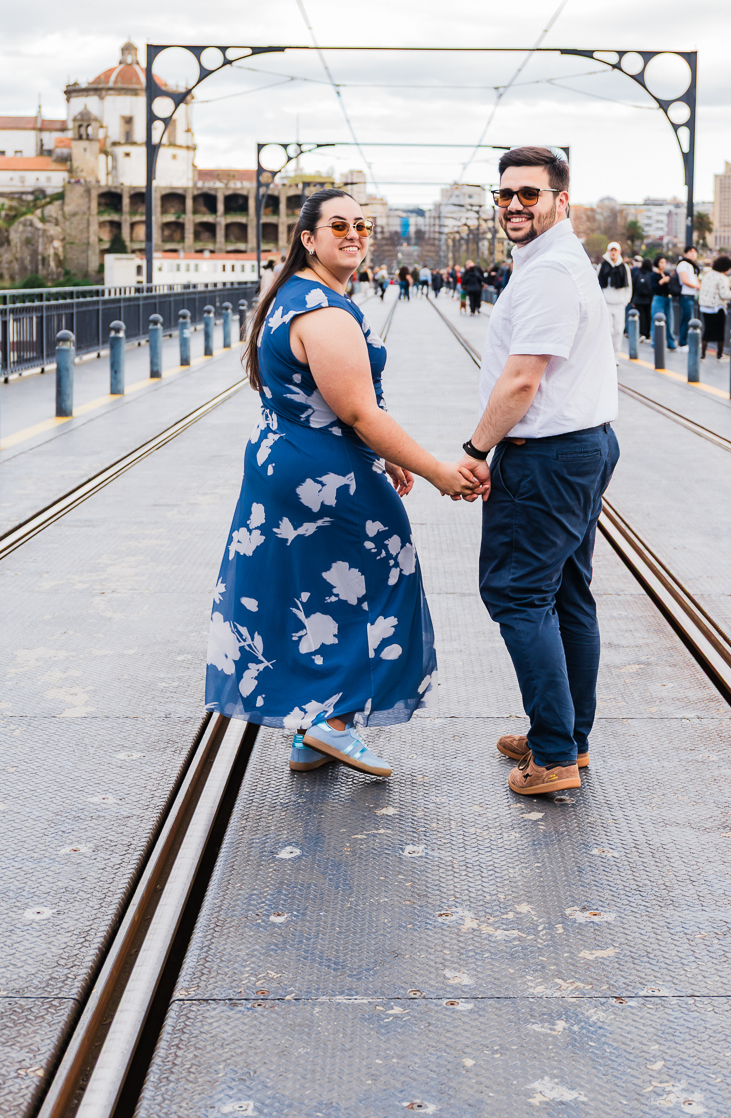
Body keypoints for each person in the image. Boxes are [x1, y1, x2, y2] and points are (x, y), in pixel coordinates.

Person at [205, 189, 479, 780]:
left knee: (310, 594)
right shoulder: (325, 313)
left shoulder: (292, 296)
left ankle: (314, 729)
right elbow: (357, 412)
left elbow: (333, 404)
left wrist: (383, 457)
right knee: (383, 582)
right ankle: (330, 724)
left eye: (361, 224)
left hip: (287, 463)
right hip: (324, 477)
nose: (353, 234)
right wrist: (437, 471)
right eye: (338, 226)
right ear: (308, 238)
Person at [458, 146, 619, 797]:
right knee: (566, 593)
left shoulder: (550, 273)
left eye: (530, 194)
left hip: (548, 454)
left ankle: (553, 754)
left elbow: (523, 381)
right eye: (506, 195)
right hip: (578, 446)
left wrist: (474, 453)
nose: (516, 205)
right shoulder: (550, 263)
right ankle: (566, 736)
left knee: (519, 595)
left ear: (561, 201)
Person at [597, 241, 631, 351]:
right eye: (611, 250)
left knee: (618, 330)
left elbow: (628, 286)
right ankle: (608, 354)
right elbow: (597, 285)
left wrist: (625, 301)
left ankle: (616, 357)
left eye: (615, 250)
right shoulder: (602, 266)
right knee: (607, 331)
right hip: (606, 303)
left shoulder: (624, 267)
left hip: (619, 304)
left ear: (619, 252)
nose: (613, 253)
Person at [699, 255, 731, 359]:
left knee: (707, 331)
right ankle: (719, 355)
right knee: (720, 332)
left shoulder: (707, 275)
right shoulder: (722, 278)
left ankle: (703, 354)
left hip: (705, 306)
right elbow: (724, 295)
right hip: (717, 307)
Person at [676, 245, 701, 348]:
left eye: (694, 252)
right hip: (685, 295)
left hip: (691, 295)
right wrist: (696, 286)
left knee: (689, 319)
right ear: (685, 253)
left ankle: (687, 341)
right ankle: (683, 342)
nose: (693, 254)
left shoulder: (692, 266)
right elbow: (684, 280)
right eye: (690, 252)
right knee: (686, 319)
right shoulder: (683, 264)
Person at [649, 255, 673, 346]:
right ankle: (656, 342)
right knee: (657, 320)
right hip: (658, 298)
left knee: (669, 321)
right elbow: (653, 288)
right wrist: (662, 281)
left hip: (667, 298)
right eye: (661, 262)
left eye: (664, 262)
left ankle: (670, 342)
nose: (663, 264)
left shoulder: (667, 273)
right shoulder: (654, 275)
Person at [631, 257, 653, 339]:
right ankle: (647, 333)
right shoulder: (651, 274)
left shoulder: (638, 273)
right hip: (648, 299)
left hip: (638, 299)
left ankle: (641, 333)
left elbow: (634, 286)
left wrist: (632, 299)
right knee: (648, 316)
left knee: (641, 317)